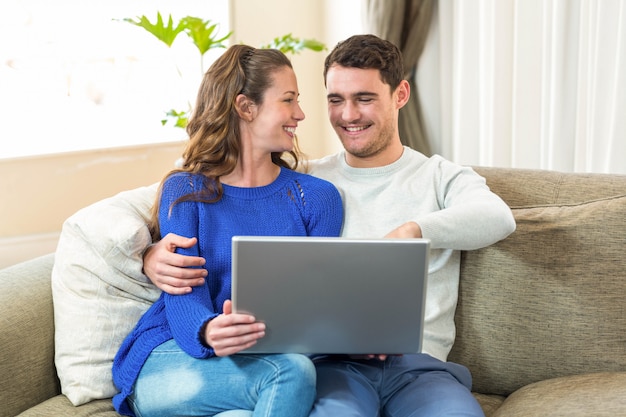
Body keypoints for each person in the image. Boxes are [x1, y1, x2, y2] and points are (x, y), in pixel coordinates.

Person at [143, 35, 516, 416]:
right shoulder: (308, 181)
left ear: (400, 94)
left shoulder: (439, 176)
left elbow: (497, 217)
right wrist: (149, 253)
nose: (349, 114)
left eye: (365, 98)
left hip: (418, 367)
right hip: (335, 366)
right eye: (336, 100)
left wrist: (412, 232)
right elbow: (213, 181)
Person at [111, 44, 344, 417]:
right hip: (171, 355)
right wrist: (207, 331)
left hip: (255, 362)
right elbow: (182, 295)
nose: (300, 114)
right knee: (290, 372)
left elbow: (316, 305)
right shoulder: (186, 190)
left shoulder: (317, 198)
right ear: (245, 107)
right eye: (288, 100)